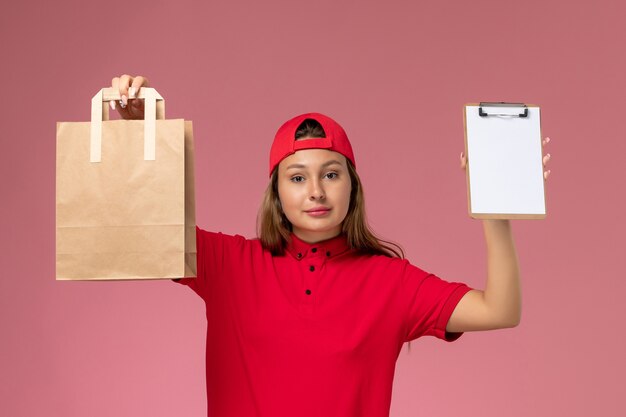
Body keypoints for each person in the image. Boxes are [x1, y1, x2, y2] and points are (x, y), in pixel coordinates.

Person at [109, 74, 551, 417]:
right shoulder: (230, 264)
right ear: (276, 192)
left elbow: (500, 310)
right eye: (297, 177)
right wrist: (139, 134)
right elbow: (147, 228)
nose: (316, 191)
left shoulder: (390, 281)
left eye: (331, 174)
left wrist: (496, 214)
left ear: (352, 186)